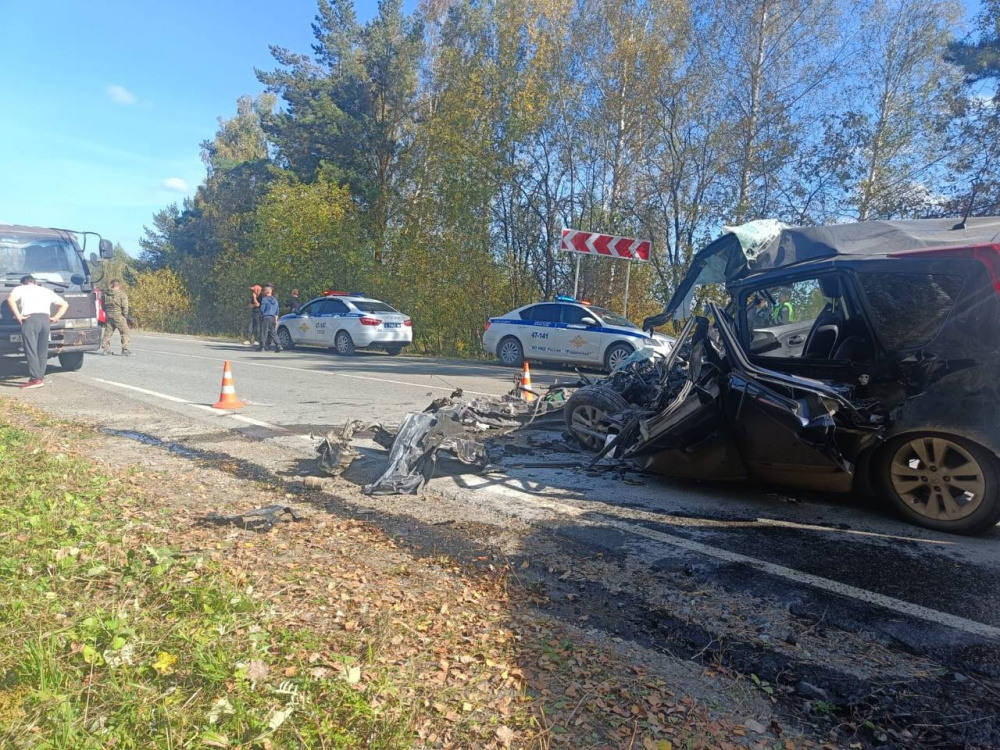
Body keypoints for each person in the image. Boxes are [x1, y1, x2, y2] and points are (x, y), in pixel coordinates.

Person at [7, 274, 69, 388]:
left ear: (22, 283)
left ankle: (35, 380)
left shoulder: (21, 288)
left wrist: (18, 316)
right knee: (42, 350)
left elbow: (10, 300)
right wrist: (55, 318)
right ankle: (40, 377)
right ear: (35, 282)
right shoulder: (45, 290)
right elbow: (65, 304)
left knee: (31, 349)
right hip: (45, 320)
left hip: (30, 319)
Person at [100, 280, 133, 356]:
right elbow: (125, 307)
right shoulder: (121, 294)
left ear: (112, 285)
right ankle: (125, 350)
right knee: (125, 332)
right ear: (119, 285)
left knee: (108, 332)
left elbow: (103, 306)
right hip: (119, 315)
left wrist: (107, 312)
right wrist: (125, 316)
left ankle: (106, 349)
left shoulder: (105, 295)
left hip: (109, 315)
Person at [257, 284, 283, 353]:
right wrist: (276, 319)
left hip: (266, 317)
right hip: (273, 318)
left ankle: (262, 346)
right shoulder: (275, 300)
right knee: (273, 332)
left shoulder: (264, 299)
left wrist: (261, 314)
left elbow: (262, 309)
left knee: (264, 332)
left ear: (266, 292)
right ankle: (278, 345)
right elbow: (277, 311)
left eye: (264, 291)